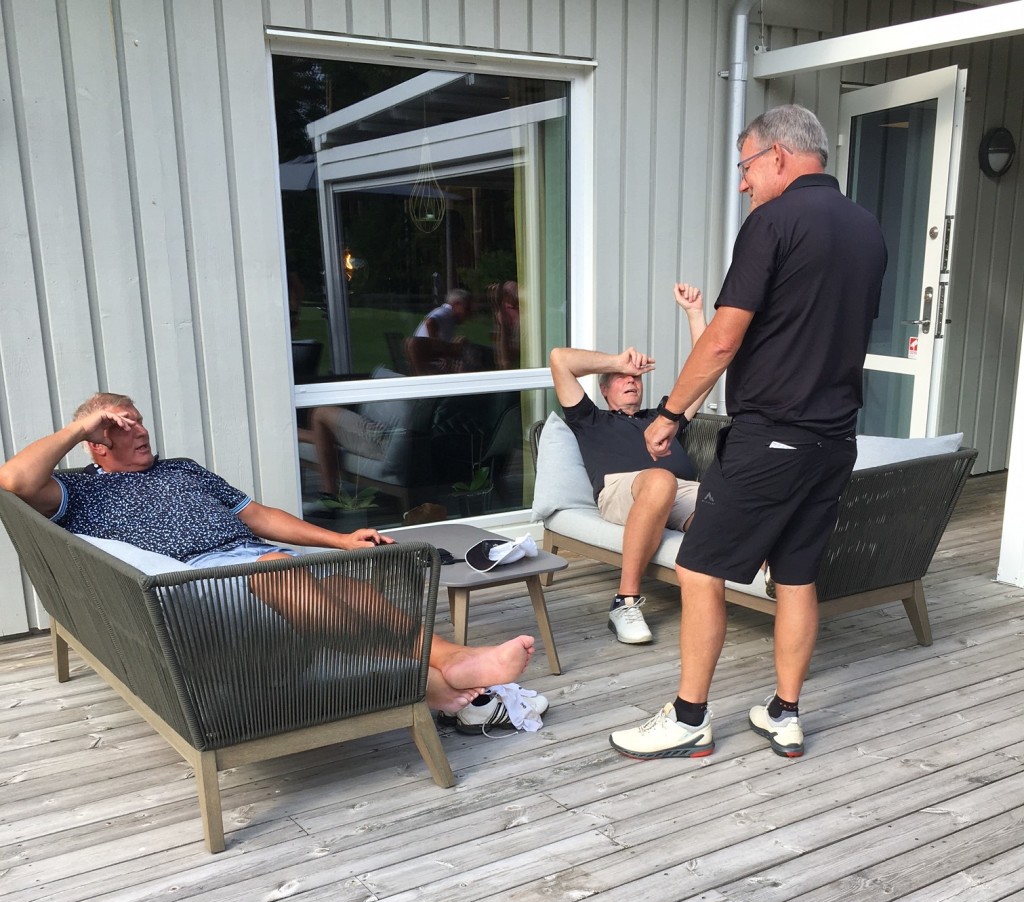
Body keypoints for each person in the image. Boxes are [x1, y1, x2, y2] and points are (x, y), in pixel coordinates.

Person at [609, 104, 887, 760]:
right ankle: (785, 714)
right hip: (834, 440)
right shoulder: (868, 228)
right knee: (795, 575)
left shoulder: (774, 221)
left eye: (746, 167)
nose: (743, 184)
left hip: (773, 436)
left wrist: (671, 413)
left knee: (698, 567)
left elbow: (722, 338)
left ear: (778, 156)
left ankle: (689, 718)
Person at [0, 393, 539, 718]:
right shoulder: (80, 491)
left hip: (256, 556)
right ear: (96, 442)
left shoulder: (181, 469)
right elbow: (13, 481)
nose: (139, 429)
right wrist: (80, 426)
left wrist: (340, 540)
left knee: (344, 582)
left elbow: (258, 516)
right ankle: (417, 674)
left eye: (138, 419)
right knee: (284, 570)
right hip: (193, 585)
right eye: (121, 426)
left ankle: (452, 661)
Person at [549, 284, 709, 644]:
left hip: (679, 492)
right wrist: (617, 362)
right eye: (621, 378)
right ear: (604, 391)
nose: (630, 380)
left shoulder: (662, 418)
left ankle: (773, 579)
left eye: (635, 377)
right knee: (660, 480)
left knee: (731, 502)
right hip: (624, 490)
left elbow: (703, 375)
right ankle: (625, 602)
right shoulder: (591, 420)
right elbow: (560, 359)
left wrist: (694, 313)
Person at [407, 288, 472, 374]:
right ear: (457, 304)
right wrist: (437, 347)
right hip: (426, 360)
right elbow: (430, 322)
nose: (468, 313)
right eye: (467, 309)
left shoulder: (447, 316)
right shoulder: (446, 312)